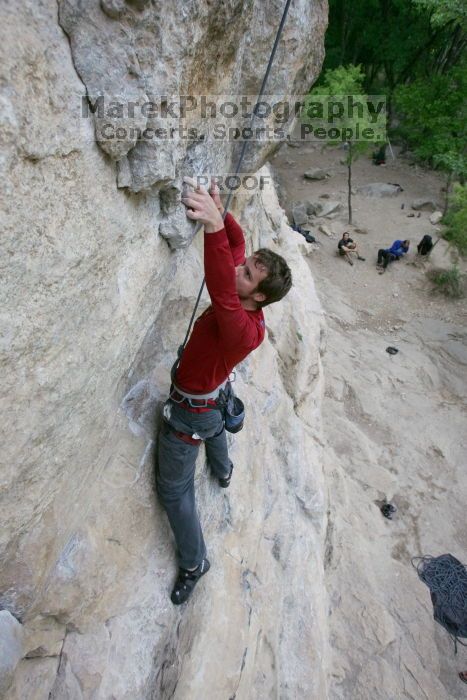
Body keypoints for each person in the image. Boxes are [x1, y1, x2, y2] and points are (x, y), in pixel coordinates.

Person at [156, 176, 292, 605]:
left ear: (259, 297)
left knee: (175, 491)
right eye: (246, 264)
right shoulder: (244, 295)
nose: (239, 268)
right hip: (210, 398)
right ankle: (225, 470)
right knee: (214, 421)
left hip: (190, 410)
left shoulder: (240, 326)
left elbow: (218, 280)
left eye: (248, 273)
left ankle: (195, 563)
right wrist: (222, 213)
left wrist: (212, 227)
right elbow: (235, 245)